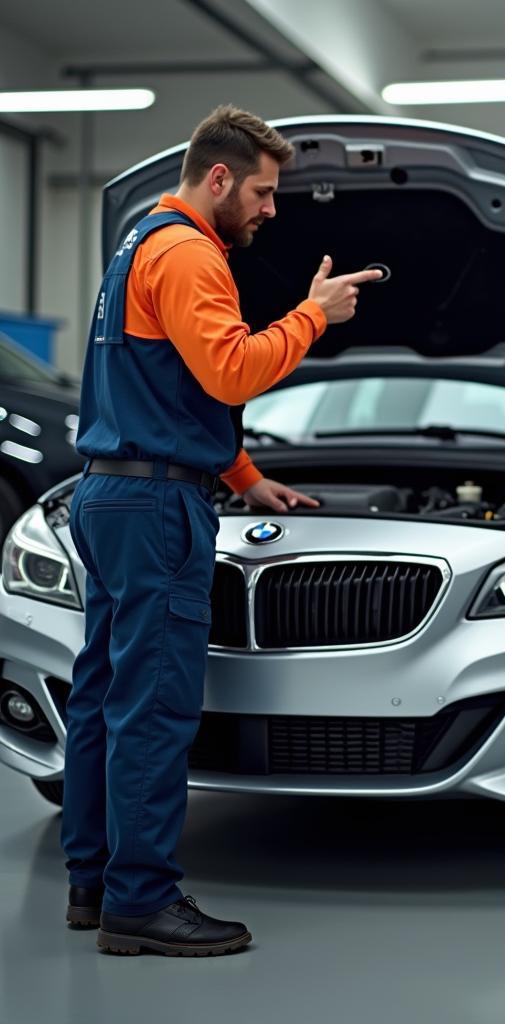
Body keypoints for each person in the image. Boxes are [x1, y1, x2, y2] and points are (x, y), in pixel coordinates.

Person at [61, 104, 382, 957]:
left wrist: (242, 477)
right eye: (264, 193)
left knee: (102, 692)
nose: (272, 210)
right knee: (156, 705)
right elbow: (231, 369)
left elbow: (168, 385)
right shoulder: (192, 255)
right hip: (156, 508)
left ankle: (92, 880)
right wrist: (314, 314)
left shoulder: (139, 243)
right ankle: (142, 903)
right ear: (218, 179)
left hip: (107, 492)